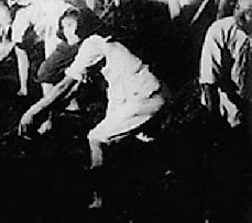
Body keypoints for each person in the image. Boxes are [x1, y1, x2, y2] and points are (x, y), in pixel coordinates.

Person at [19, 34, 164, 209]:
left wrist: (32, 112)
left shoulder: (92, 45)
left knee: (96, 138)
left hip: (143, 97)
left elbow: (64, 86)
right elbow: (74, 89)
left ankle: (100, 200)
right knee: (137, 139)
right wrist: (48, 113)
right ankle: (158, 177)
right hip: (140, 94)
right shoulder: (106, 45)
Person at [199, 0, 251, 130]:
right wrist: (215, 126)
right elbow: (209, 82)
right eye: (238, 7)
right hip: (225, 111)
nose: (239, 16)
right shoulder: (219, 31)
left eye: (249, 13)